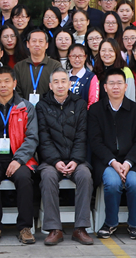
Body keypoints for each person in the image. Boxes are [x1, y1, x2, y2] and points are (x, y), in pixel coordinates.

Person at [0, 67, 38, 244]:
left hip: (20, 158)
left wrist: (19, 159)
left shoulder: (26, 107)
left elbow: (32, 137)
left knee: (25, 179)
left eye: (7, 81)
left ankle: (25, 227)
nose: (3, 85)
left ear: (14, 83)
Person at [89, 68, 136, 239]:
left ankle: (135, 225)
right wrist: (113, 162)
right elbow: (95, 141)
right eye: (111, 83)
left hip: (132, 161)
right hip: (106, 161)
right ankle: (110, 223)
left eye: (119, 83)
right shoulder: (95, 110)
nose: (116, 87)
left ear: (126, 86)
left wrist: (128, 163)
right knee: (112, 182)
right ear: (105, 87)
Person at [37, 69, 94, 245]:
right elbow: (44, 138)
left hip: (76, 160)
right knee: (47, 176)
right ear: (50, 86)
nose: (60, 85)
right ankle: (54, 229)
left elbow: (82, 135)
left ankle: (80, 228)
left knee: (85, 175)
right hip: (51, 161)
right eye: (56, 82)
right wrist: (56, 161)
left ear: (70, 84)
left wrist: (75, 160)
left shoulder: (79, 104)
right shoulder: (42, 106)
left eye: (64, 81)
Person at [13, 28, 63, 102]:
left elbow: (57, 90)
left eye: (41, 41)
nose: (37, 44)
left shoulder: (55, 66)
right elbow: (17, 92)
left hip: (48, 107)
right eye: (34, 41)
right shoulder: (19, 67)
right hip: (24, 107)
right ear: (27, 44)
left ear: (46, 45)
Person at [89, 38, 135, 106]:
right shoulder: (96, 71)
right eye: (103, 50)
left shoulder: (125, 71)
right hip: (99, 110)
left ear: (117, 52)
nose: (107, 53)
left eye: (111, 50)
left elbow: (130, 96)